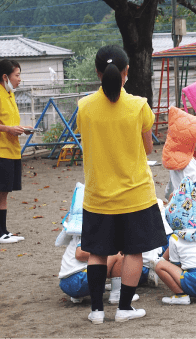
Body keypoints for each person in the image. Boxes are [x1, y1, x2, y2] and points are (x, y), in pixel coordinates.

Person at [77, 45, 167, 324]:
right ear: (126, 72)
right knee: (133, 251)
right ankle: (125, 309)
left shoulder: (84, 106)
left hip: (98, 194)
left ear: (97, 72)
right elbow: (149, 147)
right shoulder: (139, 105)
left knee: (97, 253)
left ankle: (96, 311)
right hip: (135, 194)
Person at [154, 177, 196, 305]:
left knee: (160, 266)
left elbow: (176, 265)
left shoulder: (175, 238)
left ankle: (181, 295)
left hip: (195, 282)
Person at [0, 57, 32, 244]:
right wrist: (8, 129)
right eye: (17, 75)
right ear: (5, 76)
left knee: (5, 192)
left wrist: (22, 128)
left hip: (11, 150)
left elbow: (9, 122)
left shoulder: (10, 94)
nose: (19, 79)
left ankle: (4, 231)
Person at [163, 108, 196, 234]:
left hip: (182, 208)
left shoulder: (177, 160)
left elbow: (186, 178)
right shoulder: (190, 162)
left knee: (187, 236)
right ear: (187, 139)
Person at [58, 235, 140, 305]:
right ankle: (117, 294)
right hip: (82, 280)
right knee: (118, 254)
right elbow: (80, 254)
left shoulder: (77, 233)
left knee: (98, 260)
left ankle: (77, 297)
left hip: (65, 283)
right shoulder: (93, 229)